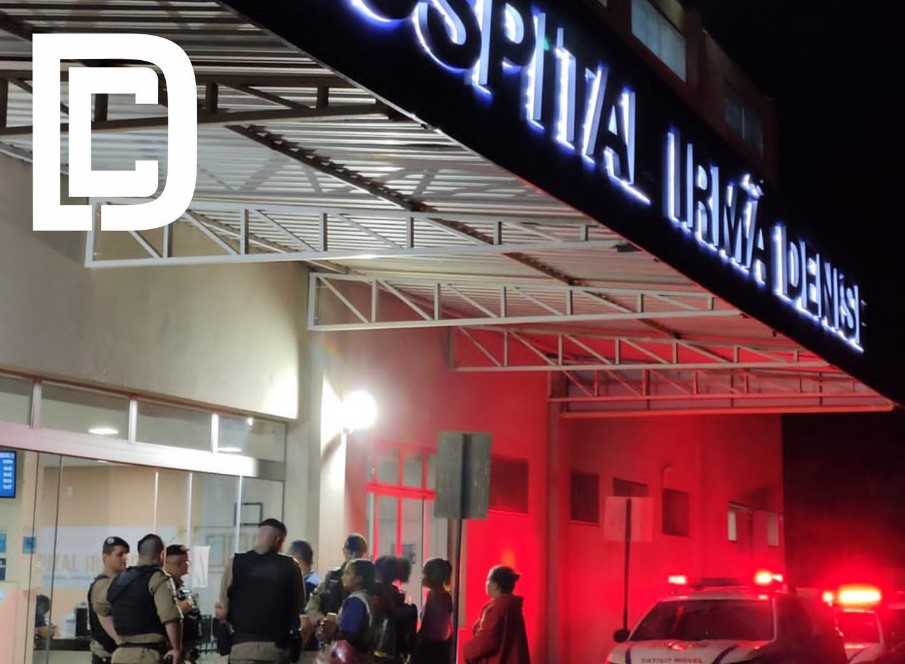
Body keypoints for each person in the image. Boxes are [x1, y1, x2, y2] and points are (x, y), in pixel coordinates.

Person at [216, 518, 304, 664]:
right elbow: (298, 605)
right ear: (279, 540)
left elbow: (223, 606)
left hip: (241, 649)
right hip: (276, 651)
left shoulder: (235, 563)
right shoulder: (291, 566)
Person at [95, 533, 183, 664]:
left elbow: (101, 610)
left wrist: (118, 637)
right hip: (148, 655)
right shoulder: (158, 578)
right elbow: (170, 615)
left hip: (120, 655)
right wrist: (176, 648)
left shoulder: (118, 579)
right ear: (162, 554)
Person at [462, 566, 530, 664]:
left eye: (488, 580)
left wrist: (467, 651)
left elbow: (487, 641)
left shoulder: (497, 608)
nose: (486, 583)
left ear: (495, 585)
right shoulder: (512, 606)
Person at [303, 533, 368, 632]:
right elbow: (313, 604)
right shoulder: (333, 577)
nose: (354, 556)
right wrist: (322, 621)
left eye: (358, 553)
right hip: (330, 633)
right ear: (344, 551)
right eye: (351, 552)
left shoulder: (370, 580)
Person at [318, 558, 377, 661]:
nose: (342, 577)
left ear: (359, 578)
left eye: (348, 573)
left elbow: (348, 638)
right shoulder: (368, 598)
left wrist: (331, 631)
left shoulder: (356, 601)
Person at [88, 536, 130, 664]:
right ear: (105, 557)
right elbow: (104, 619)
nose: (125, 558)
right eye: (120, 554)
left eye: (126, 554)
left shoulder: (118, 583)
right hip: (107, 654)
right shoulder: (103, 585)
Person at [164, 545, 202, 663]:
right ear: (165, 563)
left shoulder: (186, 590)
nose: (184, 566)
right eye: (179, 563)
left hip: (188, 651)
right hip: (168, 653)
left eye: (186, 562)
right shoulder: (160, 589)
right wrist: (179, 610)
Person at [413, 558, 453, 664]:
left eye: (424, 574)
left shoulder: (432, 595)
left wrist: (417, 640)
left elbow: (427, 622)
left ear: (433, 576)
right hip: (442, 646)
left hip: (430, 646)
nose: (421, 577)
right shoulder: (446, 596)